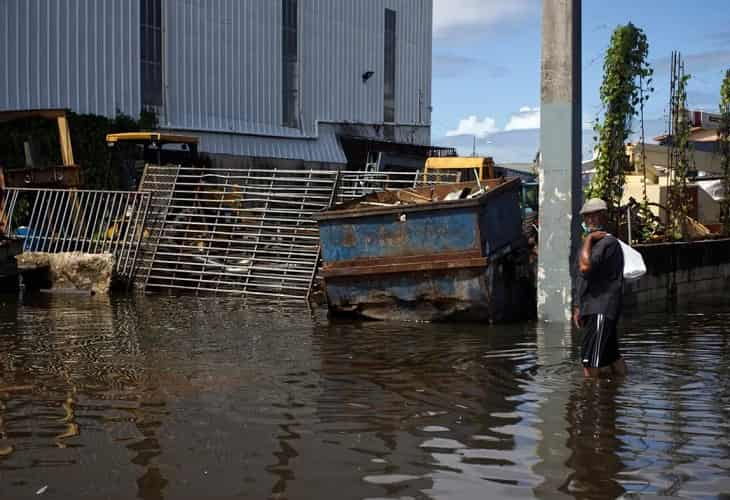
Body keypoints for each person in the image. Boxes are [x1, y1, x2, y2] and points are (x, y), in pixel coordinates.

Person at [573, 198, 627, 378]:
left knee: (589, 362)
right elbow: (583, 279)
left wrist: (588, 239)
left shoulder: (607, 243)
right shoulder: (594, 244)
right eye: (587, 217)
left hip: (601, 308)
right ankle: (619, 389)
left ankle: (592, 401)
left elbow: (585, 267)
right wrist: (579, 307)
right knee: (612, 357)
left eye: (594, 216)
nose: (589, 221)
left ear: (604, 217)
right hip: (593, 307)